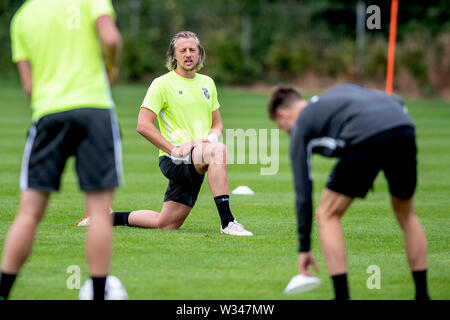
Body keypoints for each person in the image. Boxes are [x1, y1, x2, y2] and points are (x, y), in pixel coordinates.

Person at [0, 0, 123, 300]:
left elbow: (29, 87)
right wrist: (111, 67)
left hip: (49, 113)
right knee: (97, 211)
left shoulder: (23, 17)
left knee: (29, 211)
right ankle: (97, 294)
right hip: (94, 110)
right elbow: (110, 38)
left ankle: (3, 292)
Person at [76, 31, 252, 236]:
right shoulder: (162, 84)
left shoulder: (207, 83)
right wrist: (174, 149)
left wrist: (210, 139)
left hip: (196, 156)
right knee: (217, 151)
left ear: (200, 54)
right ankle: (228, 222)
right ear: (174, 56)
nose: (188, 54)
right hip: (174, 159)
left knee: (166, 223)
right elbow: (143, 125)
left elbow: (217, 123)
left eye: (192, 50)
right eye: (182, 50)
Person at [268, 83, 430, 300]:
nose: (289, 133)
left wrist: (304, 247)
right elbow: (395, 100)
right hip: (403, 124)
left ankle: (342, 297)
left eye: (284, 128)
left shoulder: (303, 123)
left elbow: (303, 191)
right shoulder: (341, 91)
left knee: (327, 214)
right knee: (407, 214)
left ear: (283, 114)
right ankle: (423, 295)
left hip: (366, 135)